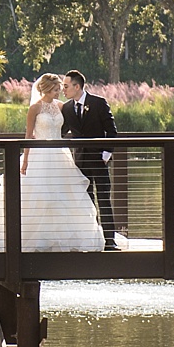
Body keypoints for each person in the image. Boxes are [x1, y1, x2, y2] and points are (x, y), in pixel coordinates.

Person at [0, 73, 105, 252]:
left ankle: (63, 239)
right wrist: (25, 161)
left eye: (62, 88)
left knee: (63, 197)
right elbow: (28, 136)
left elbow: (71, 128)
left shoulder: (61, 106)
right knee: (39, 196)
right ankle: (34, 239)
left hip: (59, 155)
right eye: (58, 88)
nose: (60, 91)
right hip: (40, 155)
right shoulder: (35, 108)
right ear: (49, 89)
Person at [61, 69, 119, 251]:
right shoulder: (67, 108)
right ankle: (91, 238)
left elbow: (111, 130)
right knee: (86, 201)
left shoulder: (98, 103)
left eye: (66, 86)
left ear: (77, 86)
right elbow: (61, 132)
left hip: (99, 159)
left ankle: (110, 240)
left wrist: (106, 153)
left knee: (103, 198)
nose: (64, 90)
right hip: (80, 161)